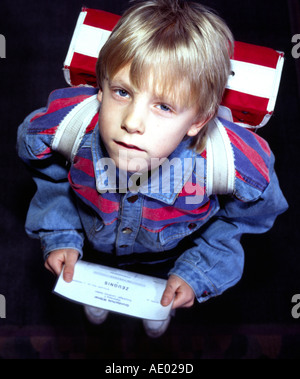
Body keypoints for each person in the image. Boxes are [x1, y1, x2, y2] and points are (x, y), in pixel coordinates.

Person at [17, 0, 288, 338]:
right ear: (100, 89)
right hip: (93, 247)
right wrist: (60, 233)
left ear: (199, 120)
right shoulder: (66, 130)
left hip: (168, 259)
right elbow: (50, 174)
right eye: (122, 92)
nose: (131, 122)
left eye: (163, 106)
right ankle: (95, 290)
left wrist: (196, 272)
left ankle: (155, 305)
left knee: (160, 297)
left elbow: (240, 221)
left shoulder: (233, 167)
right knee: (88, 279)